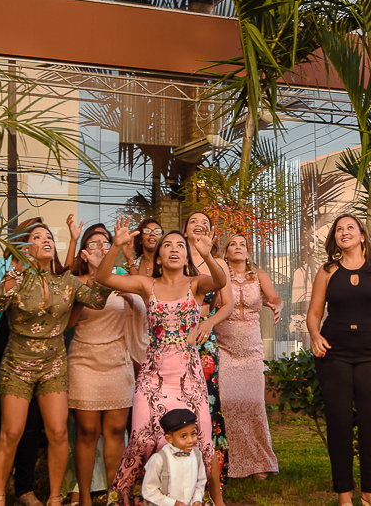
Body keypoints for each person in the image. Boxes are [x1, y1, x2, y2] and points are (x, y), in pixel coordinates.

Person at [98, 218, 226, 506]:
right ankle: (126, 500)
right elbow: (104, 278)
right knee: (142, 440)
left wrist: (206, 254)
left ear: (186, 255)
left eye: (180, 245)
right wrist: (116, 248)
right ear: (158, 256)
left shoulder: (196, 284)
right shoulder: (147, 284)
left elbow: (220, 281)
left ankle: (216, 500)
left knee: (203, 440)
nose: (174, 249)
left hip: (189, 375)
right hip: (153, 377)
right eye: (167, 245)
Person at [0, 220, 112, 506]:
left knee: (57, 431)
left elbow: (96, 301)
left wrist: (101, 274)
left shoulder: (66, 280)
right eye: (37, 236)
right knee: (12, 432)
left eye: (48, 237)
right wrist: (13, 274)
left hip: (53, 362)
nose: (45, 240)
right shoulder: (17, 278)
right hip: (18, 363)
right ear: (26, 247)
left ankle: (55, 497)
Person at [306, 214, 371, 506]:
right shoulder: (327, 271)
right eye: (339, 229)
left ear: (362, 236)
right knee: (339, 421)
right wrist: (314, 336)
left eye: (350, 228)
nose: (343, 232)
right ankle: (344, 493)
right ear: (335, 238)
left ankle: (370, 491)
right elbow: (313, 313)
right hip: (334, 353)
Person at [0, 217, 48, 506]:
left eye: (41, 238)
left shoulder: (45, 274)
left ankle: (24, 489)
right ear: (18, 241)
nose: (36, 243)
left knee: (29, 424)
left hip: (29, 358)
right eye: (31, 238)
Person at [67, 223, 147, 503]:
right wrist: (85, 291)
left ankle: (117, 495)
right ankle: (86, 496)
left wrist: (132, 298)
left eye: (105, 242)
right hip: (84, 361)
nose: (100, 247)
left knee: (115, 431)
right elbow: (68, 322)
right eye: (93, 244)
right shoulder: (74, 281)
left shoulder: (122, 279)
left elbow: (146, 306)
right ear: (84, 254)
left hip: (117, 361)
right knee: (88, 431)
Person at [213, 234, 282, 480]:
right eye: (233, 244)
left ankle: (259, 462)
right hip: (225, 348)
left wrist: (277, 305)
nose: (238, 248)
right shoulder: (218, 275)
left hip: (252, 349)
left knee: (254, 405)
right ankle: (234, 463)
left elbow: (273, 297)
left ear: (248, 251)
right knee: (229, 403)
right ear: (226, 251)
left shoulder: (259, 275)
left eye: (243, 244)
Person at [181, 212, 230, 506]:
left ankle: (214, 485)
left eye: (204, 223)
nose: (199, 225)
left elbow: (228, 305)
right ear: (184, 229)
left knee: (208, 408)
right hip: (175, 340)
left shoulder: (218, 263)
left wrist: (208, 324)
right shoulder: (175, 255)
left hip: (204, 338)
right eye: (193, 221)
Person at [141, 409, 206, 506]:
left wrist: (197, 499)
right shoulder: (159, 460)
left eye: (193, 434)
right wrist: (172, 503)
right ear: (169, 439)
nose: (191, 440)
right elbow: (149, 491)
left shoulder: (196, 455)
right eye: (183, 436)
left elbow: (200, 481)